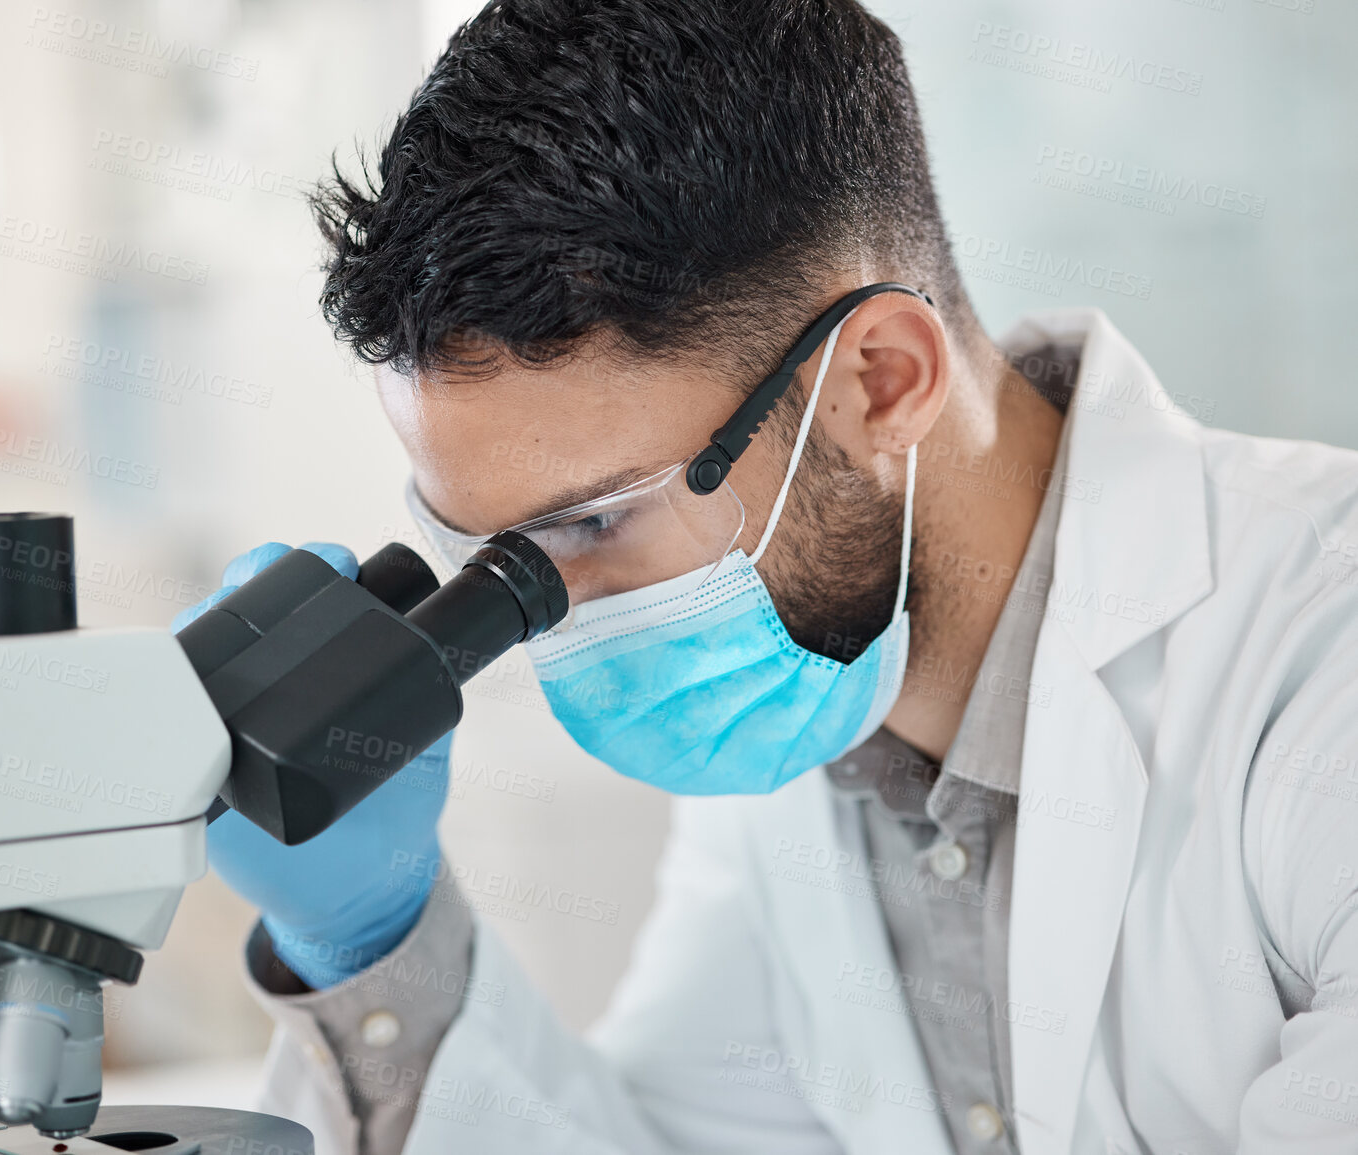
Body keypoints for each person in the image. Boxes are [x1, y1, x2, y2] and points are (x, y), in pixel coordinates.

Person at [178, 2, 1358, 1152]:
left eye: (592, 523)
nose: (561, 629)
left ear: (879, 384)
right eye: (493, 562)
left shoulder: (1320, 665)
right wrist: (374, 940)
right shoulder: (805, 718)